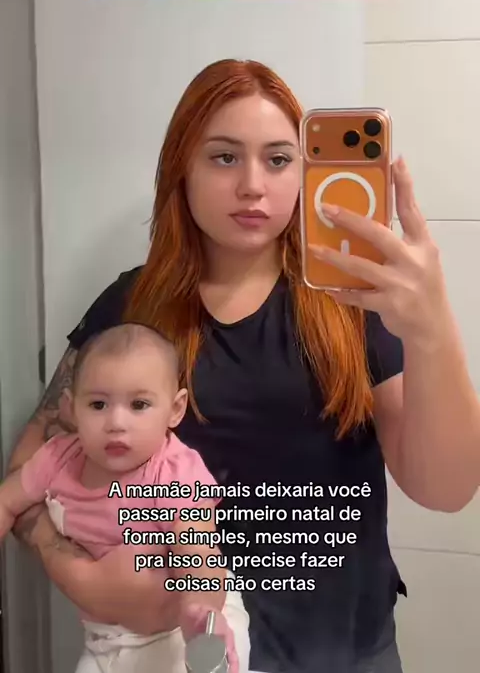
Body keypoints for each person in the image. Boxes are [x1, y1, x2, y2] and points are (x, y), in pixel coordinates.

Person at [8, 59, 480, 673]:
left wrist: (433, 325)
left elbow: (446, 490)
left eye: (278, 159)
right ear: (183, 167)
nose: (252, 185)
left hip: (344, 654)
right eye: (225, 157)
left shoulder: (352, 303)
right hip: (180, 656)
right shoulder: (130, 307)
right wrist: (77, 572)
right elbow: (30, 465)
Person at [1, 323, 248, 673]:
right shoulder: (57, 459)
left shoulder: (174, 472)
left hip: (183, 632)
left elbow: (199, 552)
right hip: (107, 641)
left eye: (139, 404)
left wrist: (201, 611)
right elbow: (7, 501)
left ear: (175, 409)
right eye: (98, 404)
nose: (116, 422)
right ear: (71, 408)